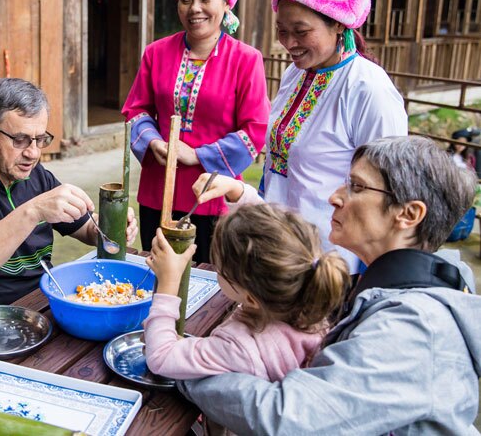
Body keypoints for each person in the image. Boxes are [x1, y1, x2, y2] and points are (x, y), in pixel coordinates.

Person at [178, 136, 480, 434]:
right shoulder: (400, 281)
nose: (335, 197)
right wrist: (240, 192)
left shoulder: (411, 330)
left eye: (357, 187)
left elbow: (288, 418)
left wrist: (186, 366)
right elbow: (291, 261)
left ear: (408, 214)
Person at [0, 78, 138, 317]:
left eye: (40, 140)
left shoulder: (37, 177)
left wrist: (112, 227)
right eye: (20, 140)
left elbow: (88, 230)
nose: (33, 153)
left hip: (38, 304)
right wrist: (33, 211)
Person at [144, 202, 348, 433]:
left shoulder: (240, 345)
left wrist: (168, 283)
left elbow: (160, 358)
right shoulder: (310, 314)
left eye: (219, 267)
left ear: (251, 298)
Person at [121, 0, 270, 263]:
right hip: (157, 189)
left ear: (227, 2)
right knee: (154, 272)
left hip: (212, 195)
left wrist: (197, 154)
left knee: (208, 280)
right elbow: (136, 110)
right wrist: (154, 141)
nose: (195, 8)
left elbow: (255, 131)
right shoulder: (156, 53)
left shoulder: (246, 59)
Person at [265, 0, 408, 273]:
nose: (288, 43)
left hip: (332, 263)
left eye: (301, 31)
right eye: (281, 30)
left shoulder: (369, 90)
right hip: (282, 250)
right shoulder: (295, 74)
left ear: (338, 24)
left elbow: (388, 189)